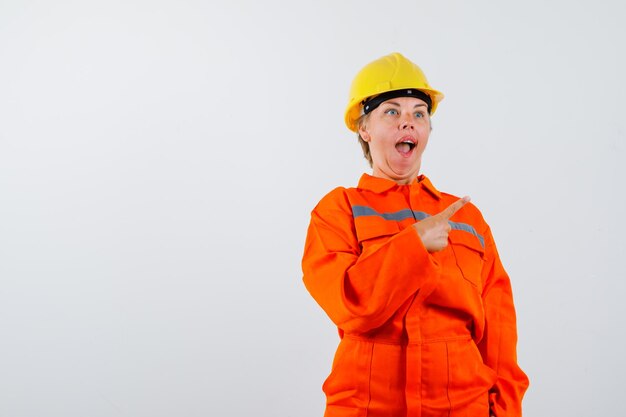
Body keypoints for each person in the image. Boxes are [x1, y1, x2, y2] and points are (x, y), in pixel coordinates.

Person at [301, 52, 529, 417]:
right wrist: (414, 244)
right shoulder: (338, 210)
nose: (407, 123)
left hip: (462, 407)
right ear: (365, 128)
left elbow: (499, 330)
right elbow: (349, 305)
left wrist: (505, 410)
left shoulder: (467, 217)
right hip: (367, 407)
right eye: (392, 111)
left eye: (418, 114)